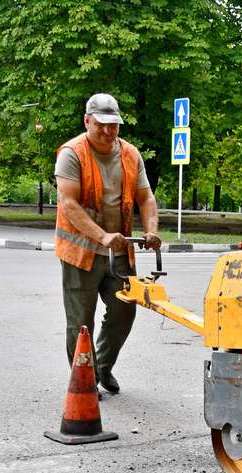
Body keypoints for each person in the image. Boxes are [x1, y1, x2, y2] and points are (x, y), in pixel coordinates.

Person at [54, 93, 162, 394]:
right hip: (81, 251)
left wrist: (151, 231)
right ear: (87, 121)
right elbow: (69, 204)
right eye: (101, 124)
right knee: (81, 323)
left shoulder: (130, 154)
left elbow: (146, 198)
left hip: (119, 251)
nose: (107, 131)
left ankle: (101, 367)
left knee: (124, 310)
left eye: (113, 125)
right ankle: (84, 383)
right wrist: (102, 237)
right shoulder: (72, 154)